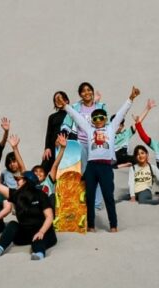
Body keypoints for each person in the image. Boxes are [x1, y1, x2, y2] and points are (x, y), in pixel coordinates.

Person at [58, 86, 140, 232]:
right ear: (92, 121)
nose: (98, 120)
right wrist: (65, 106)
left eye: (101, 117)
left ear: (105, 119)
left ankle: (113, 225)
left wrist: (131, 98)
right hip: (91, 166)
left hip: (106, 167)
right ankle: (91, 225)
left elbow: (122, 112)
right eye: (95, 118)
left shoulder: (111, 128)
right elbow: (76, 116)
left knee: (108, 196)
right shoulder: (89, 129)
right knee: (89, 196)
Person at [0, 160, 57, 260]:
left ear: (26, 182)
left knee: (38, 239)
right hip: (25, 234)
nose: (16, 181)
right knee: (12, 224)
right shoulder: (16, 194)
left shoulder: (41, 195)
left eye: (18, 179)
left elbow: (49, 217)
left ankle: (39, 254)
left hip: (44, 231)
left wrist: (41, 232)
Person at [60, 82, 107, 209]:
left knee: (98, 172)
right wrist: (63, 133)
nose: (86, 93)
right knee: (83, 172)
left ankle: (96, 204)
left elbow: (106, 124)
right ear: (80, 94)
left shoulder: (101, 106)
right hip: (81, 143)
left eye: (89, 90)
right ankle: (82, 200)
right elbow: (67, 122)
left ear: (92, 91)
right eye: (83, 91)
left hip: (97, 144)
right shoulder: (75, 107)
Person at [42, 91, 70, 173]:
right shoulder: (52, 117)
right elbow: (49, 133)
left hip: (67, 147)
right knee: (44, 169)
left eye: (60, 98)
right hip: (53, 147)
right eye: (56, 100)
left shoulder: (71, 115)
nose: (58, 101)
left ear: (66, 100)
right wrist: (47, 148)